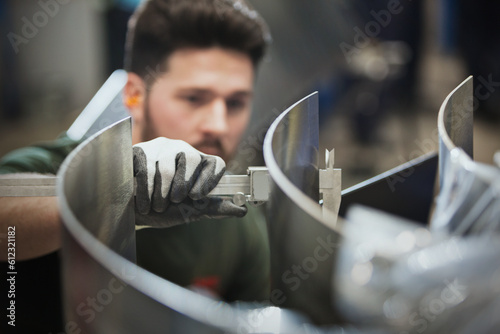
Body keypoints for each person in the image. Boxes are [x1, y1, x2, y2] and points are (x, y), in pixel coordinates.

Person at [0, 0, 271, 332]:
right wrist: (108, 195)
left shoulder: (237, 219)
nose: (218, 123)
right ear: (134, 95)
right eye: (194, 98)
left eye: (235, 103)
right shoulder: (51, 168)